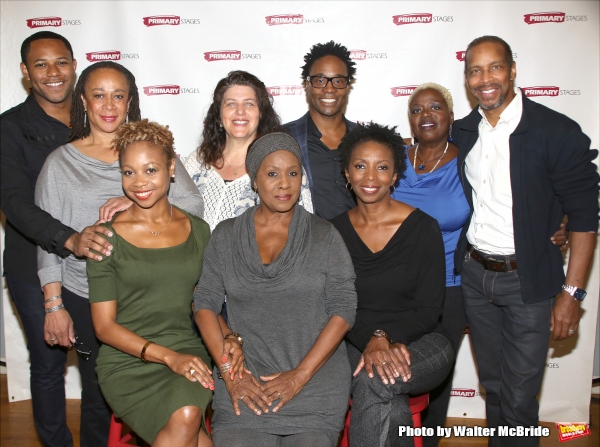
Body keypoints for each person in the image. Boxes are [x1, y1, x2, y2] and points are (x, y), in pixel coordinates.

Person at [34, 61, 204, 447]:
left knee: (178, 408)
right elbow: (47, 240)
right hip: (84, 295)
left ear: (130, 101)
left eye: (118, 95)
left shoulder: (149, 152)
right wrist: (53, 303)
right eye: (98, 95)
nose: (108, 105)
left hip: (153, 296)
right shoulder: (60, 163)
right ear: (83, 101)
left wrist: (132, 204)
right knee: (96, 401)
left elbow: (194, 206)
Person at [392, 83, 570, 447]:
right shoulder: (393, 159)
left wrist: (557, 220)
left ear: (452, 117)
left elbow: (516, 193)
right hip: (397, 288)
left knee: (437, 375)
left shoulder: (466, 160)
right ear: (408, 120)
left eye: (435, 108)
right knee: (394, 372)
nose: (426, 115)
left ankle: (429, 439)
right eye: (416, 109)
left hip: (452, 287)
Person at [453, 35, 599, 447]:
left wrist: (571, 293)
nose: (486, 79)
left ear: (513, 70)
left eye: (495, 67)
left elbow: (586, 217)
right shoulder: (464, 133)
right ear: (467, 79)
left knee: (518, 399)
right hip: (476, 279)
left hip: (529, 283)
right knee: (496, 389)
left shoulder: (555, 131)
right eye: (475, 70)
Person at [194, 132, 357, 447]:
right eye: (272, 173)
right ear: (254, 180)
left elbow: (344, 309)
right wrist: (230, 375)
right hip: (245, 380)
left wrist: (299, 375)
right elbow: (204, 304)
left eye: (293, 173)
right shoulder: (226, 236)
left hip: (315, 383)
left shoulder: (325, 236)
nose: (284, 183)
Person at [0, 31, 112, 447]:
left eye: (61, 62)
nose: (53, 72)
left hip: (98, 268)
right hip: (34, 264)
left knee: (99, 368)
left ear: (74, 65)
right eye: (41, 65)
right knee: (48, 367)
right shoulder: (9, 128)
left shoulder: (98, 117)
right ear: (27, 73)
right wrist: (69, 239)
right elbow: (13, 201)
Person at [87, 120, 213, 446]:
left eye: (150, 170)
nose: (139, 182)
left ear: (171, 168)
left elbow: (202, 304)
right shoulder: (104, 238)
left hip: (186, 347)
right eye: (129, 172)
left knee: (188, 422)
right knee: (188, 419)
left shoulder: (198, 231)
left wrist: (228, 340)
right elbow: (104, 328)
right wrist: (168, 358)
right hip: (126, 358)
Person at [331, 123, 454, 447]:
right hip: (352, 342)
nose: (370, 177)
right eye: (360, 166)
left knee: (374, 377)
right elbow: (336, 308)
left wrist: (387, 338)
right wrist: (371, 340)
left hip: (421, 342)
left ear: (395, 174)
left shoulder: (423, 227)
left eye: (382, 167)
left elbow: (430, 310)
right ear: (347, 172)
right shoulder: (332, 233)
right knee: (377, 383)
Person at [184, 70, 312, 231]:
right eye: (231, 104)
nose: (240, 111)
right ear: (219, 114)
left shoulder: (283, 163)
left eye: (249, 104)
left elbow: (305, 227)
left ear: (261, 113)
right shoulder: (196, 161)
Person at [284, 41, 358, 220]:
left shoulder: (364, 140)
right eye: (320, 80)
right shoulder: (284, 138)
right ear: (306, 84)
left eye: (339, 81)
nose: (330, 88)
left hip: (358, 246)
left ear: (348, 86)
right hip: (305, 245)